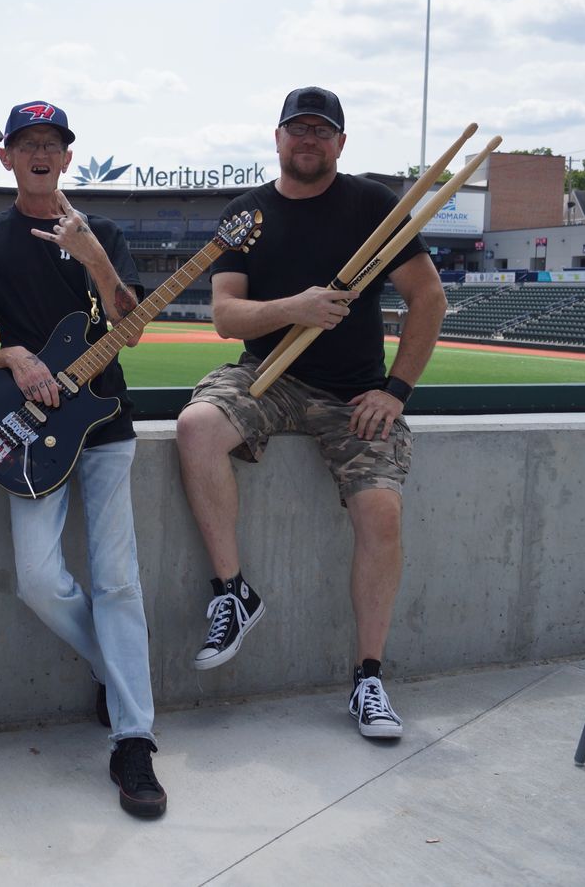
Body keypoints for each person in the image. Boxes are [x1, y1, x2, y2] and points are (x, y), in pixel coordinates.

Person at [174, 87, 448, 740]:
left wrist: (396, 391)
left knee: (380, 511)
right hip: (269, 374)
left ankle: (369, 678)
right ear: (277, 138)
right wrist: (293, 308)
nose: (308, 139)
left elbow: (429, 298)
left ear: (341, 144)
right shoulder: (247, 213)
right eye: (297, 128)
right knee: (196, 426)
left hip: (354, 391)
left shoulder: (374, 205)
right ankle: (233, 592)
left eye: (322, 131)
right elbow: (225, 316)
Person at [0, 100, 166, 819]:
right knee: (38, 579)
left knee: (118, 581)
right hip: (34, 429)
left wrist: (93, 255)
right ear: (6, 158)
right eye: (26, 143)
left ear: (68, 157)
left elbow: (131, 328)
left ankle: (134, 739)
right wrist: (10, 355)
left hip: (105, 422)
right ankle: (114, 668)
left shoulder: (106, 233)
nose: (40, 153)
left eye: (52, 143)